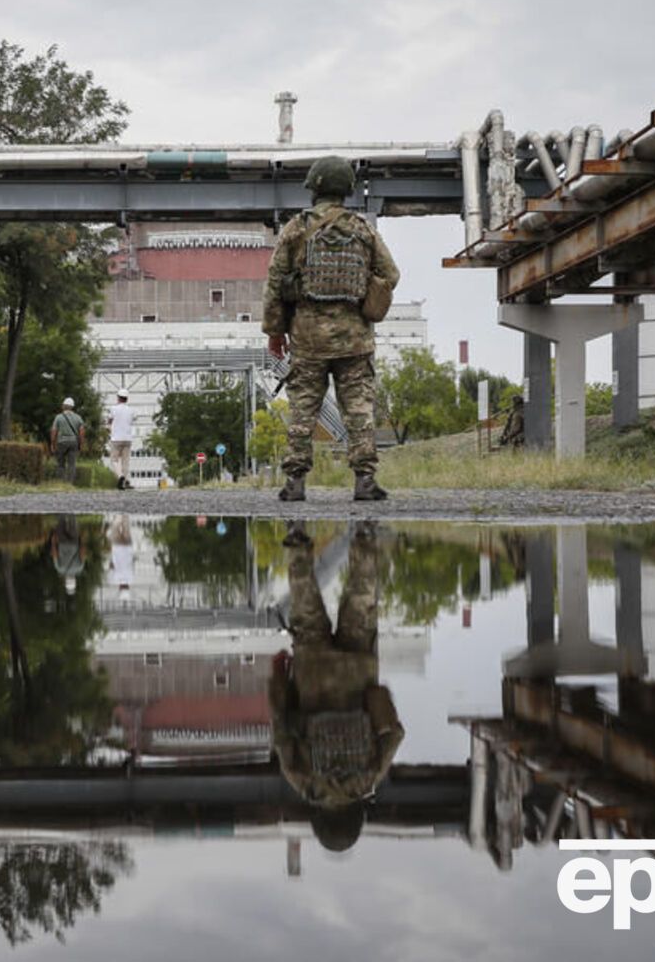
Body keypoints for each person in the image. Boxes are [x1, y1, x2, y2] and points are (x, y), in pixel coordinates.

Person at [263, 156, 400, 503]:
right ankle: (365, 481)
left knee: (303, 410)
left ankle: (295, 482)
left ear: (315, 188)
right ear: (346, 190)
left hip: (308, 337)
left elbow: (275, 282)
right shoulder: (363, 228)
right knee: (358, 409)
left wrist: (275, 332)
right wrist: (364, 294)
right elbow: (391, 273)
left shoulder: (296, 228)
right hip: (355, 338)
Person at [269, 521, 403, 853]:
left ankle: (364, 534)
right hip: (313, 671)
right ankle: (298, 536)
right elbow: (281, 729)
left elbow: (394, 734)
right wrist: (279, 681)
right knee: (305, 603)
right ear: (319, 821)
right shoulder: (305, 784)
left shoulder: (368, 779)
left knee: (362, 599)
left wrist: (376, 696)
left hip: (358, 669)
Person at [49, 396, 86, 483]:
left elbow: (54, 431)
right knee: (72, 464)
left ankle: (61, 482)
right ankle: (70, 483)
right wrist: (81, 444)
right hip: (73, 442)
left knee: (60, 463)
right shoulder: (78, 417)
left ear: (63, 406)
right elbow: (82, 432)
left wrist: (52, 443)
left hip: (61, 442)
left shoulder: (58, 417)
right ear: (72, 407)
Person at [107, 388, 136, 490]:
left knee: (114, 460)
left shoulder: (113, 409)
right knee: (125, 462)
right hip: (127, 438)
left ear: (118, 398)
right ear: (127, 399)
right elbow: (133, 420)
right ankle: (127, 482)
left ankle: (120, 477)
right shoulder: (131, 410)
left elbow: (109, 420)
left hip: (116, 438)